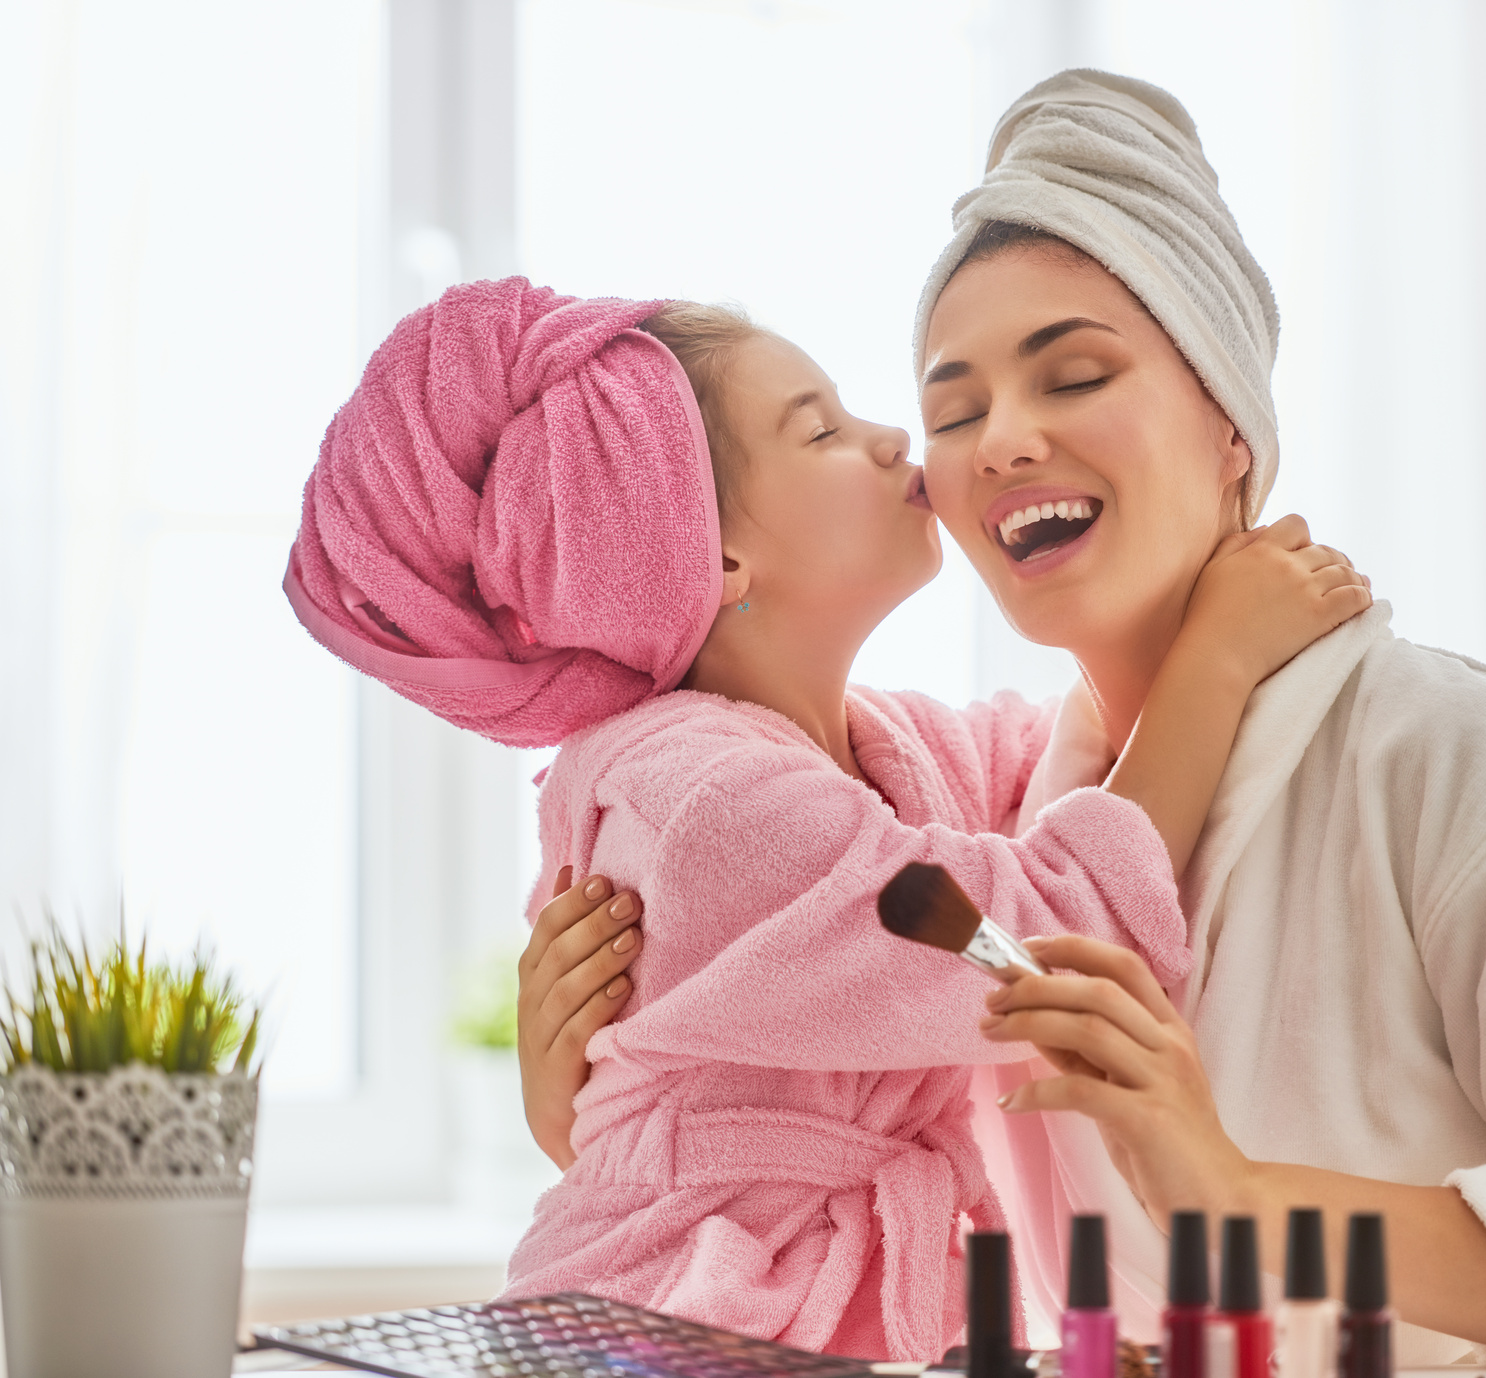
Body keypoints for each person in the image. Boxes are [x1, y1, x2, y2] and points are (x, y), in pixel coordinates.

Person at [521, 71, 1486, 1357]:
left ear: (1230, 422)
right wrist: (597, 1084)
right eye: (954, 411)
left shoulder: (1474, 768)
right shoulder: (992, 818)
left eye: (1072, 376)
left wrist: (1247, 1207)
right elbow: (809, 1050)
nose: (1000, 439)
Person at [285, 278, 1367, 1362]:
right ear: (712, 561)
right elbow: (1046, 928)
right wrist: (1219, 656)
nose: (896, 437)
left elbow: (1080, 757)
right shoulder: (706, 806)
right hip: (659, 1328)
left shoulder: (895, 751)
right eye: (825, 430)